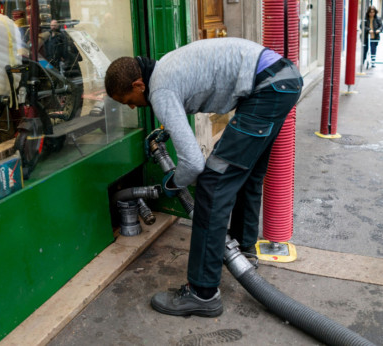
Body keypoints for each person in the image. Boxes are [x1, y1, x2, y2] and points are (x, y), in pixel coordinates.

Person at [104, 37, 303, 317]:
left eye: (129, 101)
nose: (132, 107)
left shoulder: (160, 89)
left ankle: (202, 293)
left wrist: (173, 182)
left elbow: (193, 164)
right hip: (283, 80)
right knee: (245, 175)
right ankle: (244, 252)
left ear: (139, 85)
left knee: (213, 182)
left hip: (267, 89)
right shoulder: (166, 69)